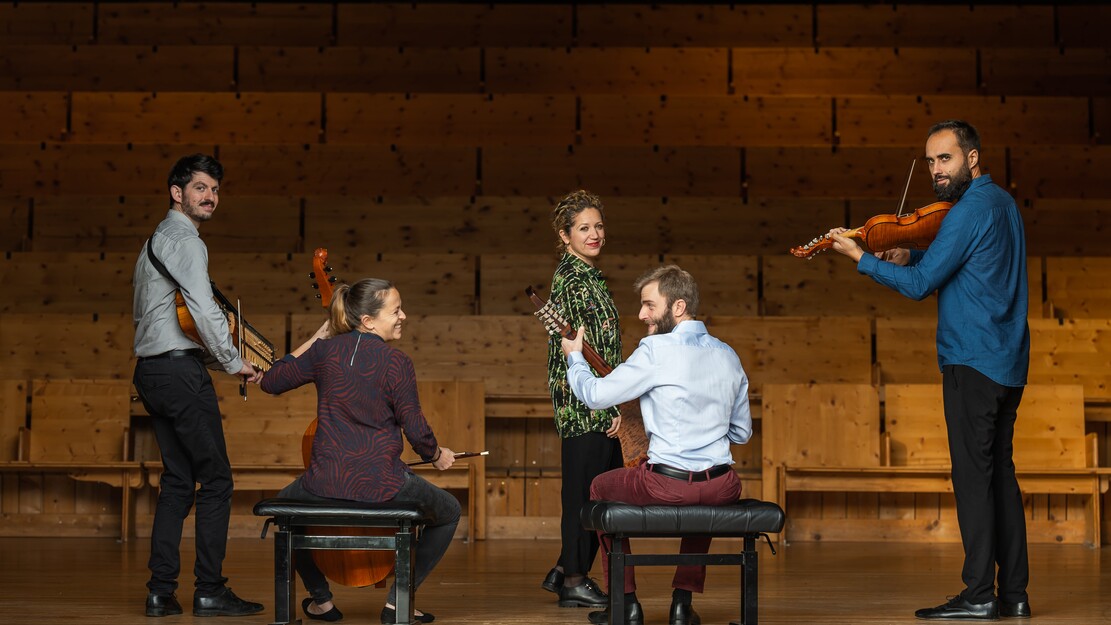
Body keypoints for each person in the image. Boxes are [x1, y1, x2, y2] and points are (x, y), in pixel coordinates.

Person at [826, 120, 1030, 621]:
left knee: (973, 479)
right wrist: (910, 252)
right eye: (932, 161)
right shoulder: (1002, 204)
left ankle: (980, 593)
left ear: (973, 159)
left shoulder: (964, 213)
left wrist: (862, 258)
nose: (936, 171)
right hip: (1008, 360)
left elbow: (919, 286)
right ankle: (1015, 596)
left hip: (972, 360)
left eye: (947, 159)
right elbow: (966, 262)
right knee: (1000, 475)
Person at [260, 278, 461, 624]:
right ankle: (399, 600)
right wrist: (436, 454)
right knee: (450, 512)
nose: (404, 316)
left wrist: (317, 338)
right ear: (368, 321)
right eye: (396, 311)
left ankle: (320, 600)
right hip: (383, 484)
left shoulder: (324, 352)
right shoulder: (398, 363)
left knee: (285, 514)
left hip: (324, 482)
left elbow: (271, 380)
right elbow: (415, 428)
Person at [562, 265, 752, 625]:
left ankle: (626, 602)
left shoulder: (654, 350)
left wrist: (575, 357)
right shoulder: (728, 354)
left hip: (665, 485)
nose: (641, 314)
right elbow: (741, 434)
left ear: (677, 307)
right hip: (723, 485)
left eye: (649, 305)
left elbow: (595, 395)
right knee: (704, 498)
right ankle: (682, 603)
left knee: (601, 485)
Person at [132, 154, 265, 617]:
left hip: (150, 372)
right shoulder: (186, 242)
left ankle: (160, 592)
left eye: (214, 190)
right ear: (177, 192)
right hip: (179, 374)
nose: (210, 197)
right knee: (217, 482)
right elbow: (204, 311)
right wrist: (233, 361)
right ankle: (209, 589)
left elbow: (162, 316)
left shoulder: (155, 240)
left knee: (176, 481)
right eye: (201, 188)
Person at [540, 190, 625, 609]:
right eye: (584, 228)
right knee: (584, 496)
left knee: (603, 493)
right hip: (585, 404)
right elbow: (579, 348)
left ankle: (564, 568)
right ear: (565, 235)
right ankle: (573, 578)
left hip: (601, 400)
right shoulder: (572, 279)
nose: (594, 234)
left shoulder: (589, 275)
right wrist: (611, 405)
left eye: (598, 226)